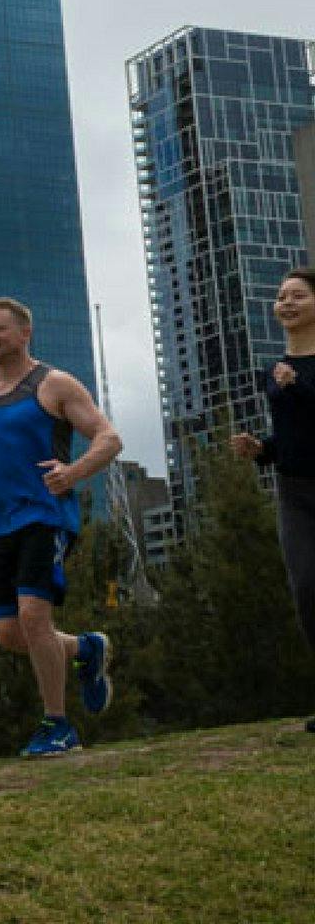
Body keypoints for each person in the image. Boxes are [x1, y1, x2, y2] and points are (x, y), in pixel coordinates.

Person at [0, 296, 122, 757]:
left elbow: (109, 438)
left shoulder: (53, 384)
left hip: (47, 516)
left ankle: (58, 726)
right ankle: (86, 650)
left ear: (24, 333)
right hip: (0, 524)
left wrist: (73, 473)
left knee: (34, 615)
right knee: (9, 633)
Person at [229, 266, 315, 735]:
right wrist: (260, 449)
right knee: (307, 589)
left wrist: (296, 386)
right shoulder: (273, 371)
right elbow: (293, 436)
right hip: (294, 491)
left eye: (298, 295)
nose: (287, 303)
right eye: (282, 297)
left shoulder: (288, 376)